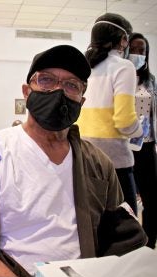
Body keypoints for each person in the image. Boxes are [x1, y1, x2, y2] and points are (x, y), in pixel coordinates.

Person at [0, 45, 147, 277]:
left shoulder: (98, 164)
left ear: (81, 101)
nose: (58, 90)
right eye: (46, 80)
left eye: (71, 85)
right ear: (26, 91)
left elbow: (122, 239)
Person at [76, 13, 145, 215]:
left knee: (92, 221)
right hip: (114, 160)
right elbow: (124, 121)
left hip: (83, 154)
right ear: (123, 40)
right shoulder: (124, 67)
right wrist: (139, 129)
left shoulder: (84, 66)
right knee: (126, 225)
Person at [128, 32, 157, 249]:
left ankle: (149, 244)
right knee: (126, 201)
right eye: (134, 49)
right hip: (123, 147)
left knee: (152, 201)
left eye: (143, 51)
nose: (139, 54)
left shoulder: (150, 80)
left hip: (146, 146)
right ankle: (128, 244)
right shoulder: (119, 76)